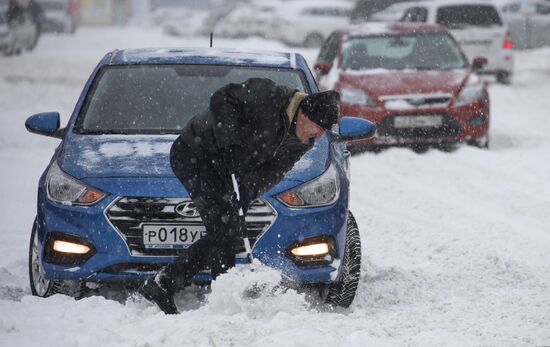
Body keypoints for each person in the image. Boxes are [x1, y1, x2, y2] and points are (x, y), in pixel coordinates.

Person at [138, 77, 340, 314]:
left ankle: (171, 284)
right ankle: (194, 292)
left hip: (231, 172)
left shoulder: (303, 141)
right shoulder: (269, 95)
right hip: (196, 155)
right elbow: (222, 98)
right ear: (304, 115)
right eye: (319, 127)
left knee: (229, 230)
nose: (319, 136)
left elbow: (274, 171)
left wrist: (248, 190)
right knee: (225, 229)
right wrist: (230, 143)